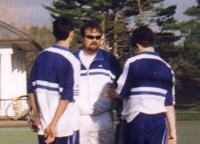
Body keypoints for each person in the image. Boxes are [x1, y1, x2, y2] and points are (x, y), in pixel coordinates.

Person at [105, 26, 177, 144]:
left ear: (137, 46)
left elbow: (121, 92)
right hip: (159, 121)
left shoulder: (132, 62)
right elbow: (169, 105)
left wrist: (111, 92)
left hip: (136, 119)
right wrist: (173, 134)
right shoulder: (167, 68)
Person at [28, 16, 80, 144]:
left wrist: (37, 115)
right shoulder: (72, 60)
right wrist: (53, 124)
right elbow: (66, 97)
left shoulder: (41, 56)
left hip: (44, 126)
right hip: (64, 127)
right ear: (71, 34)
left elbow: (31, 89)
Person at [74, 21, 121, 144]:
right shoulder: (72, 60)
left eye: (98, 37)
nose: (94, 40)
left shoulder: (110, 60)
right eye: (90, 37)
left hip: (103, 120)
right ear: (82, 38)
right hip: (77, 119)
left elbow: (121, 87)